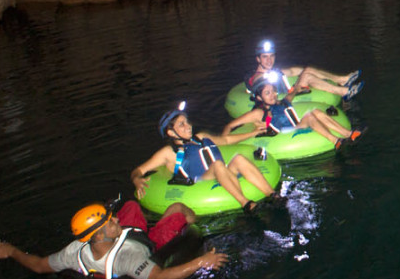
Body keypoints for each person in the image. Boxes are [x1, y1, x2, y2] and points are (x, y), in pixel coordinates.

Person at [0, 198, 227, 279]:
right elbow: (160, 278)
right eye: (110, 221)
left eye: (112, 217)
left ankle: (139, 218)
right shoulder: (128, 259)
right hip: (147, 243)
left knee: (131, 205)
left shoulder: (74, 251)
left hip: (126, 235)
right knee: (178, 210)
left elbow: (39, 265)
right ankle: (190, 220)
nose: (115, 219)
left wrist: (12, 251)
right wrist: (201, 262)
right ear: (99, 234)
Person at [132, 102, 276, 214]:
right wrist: (137, 179)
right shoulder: (168, 152)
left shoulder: (201, 137)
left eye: (187, 122)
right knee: (218, 165)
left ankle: (273, 195)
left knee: (239, 159)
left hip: (222, 173)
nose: (188, 126)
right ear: (171, 132)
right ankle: (246, 204)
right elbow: (138, 170)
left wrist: (252, 133)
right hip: (202, 182)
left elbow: (225, 141)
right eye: (181, 124)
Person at [224, 79, 363, 147]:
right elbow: (231, 125)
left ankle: (348, 134)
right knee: (309, 116)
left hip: (293, 126)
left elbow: (290, 96)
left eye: (273, 91)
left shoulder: (279, 103)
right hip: (281, 134)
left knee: (315, 112)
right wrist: (224, 142)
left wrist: (297, 89)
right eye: (267, 93)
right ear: (259, 97)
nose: (272, 95)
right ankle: (335, 141)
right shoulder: (258, 112)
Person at [246, 39, 362, 101]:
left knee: (307, 70)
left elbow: (291, 71)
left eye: (272, 56)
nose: (269, 60)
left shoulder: (273, 71)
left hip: (289, 90)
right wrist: (268, 75)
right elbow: (257, 81)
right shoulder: (257, 76)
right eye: (265, 57)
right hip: (283, 97)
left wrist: (308, 70)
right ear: (258, 59)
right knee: (307, 76)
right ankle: (344, 92)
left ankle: (343, 80)